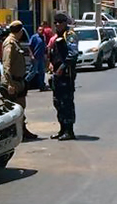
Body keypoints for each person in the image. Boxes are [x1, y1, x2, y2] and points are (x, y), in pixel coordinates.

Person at [3, 21, 38, 141]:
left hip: (19, 81)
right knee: (15, 109)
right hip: (13, 82)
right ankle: (15, 133)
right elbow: (6, 65)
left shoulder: (15, 42)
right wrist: (10, 84)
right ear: (20, 31)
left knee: (21, 107)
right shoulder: (10, 43)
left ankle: (22, 130)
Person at [49, 13, 79, 141]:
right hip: (57, 75)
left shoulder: (70, 35)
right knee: (58, 103)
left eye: (59, 22)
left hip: (66, 75)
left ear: (65, 23)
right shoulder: (57, 37)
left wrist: (61, 68)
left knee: (66, 103)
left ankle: (69, 130)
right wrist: (51, 64)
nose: (57, 25)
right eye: (55, 22)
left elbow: (73, 55)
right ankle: (62, 129)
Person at [28, 25, 47, 91]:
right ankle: (25, 83)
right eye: (40, 30)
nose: (41, 31)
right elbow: (30, 47)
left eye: (42, 30)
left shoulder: (43, 37)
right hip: (35, 58)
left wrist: (45, 56)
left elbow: (44, 47)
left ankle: (41, 86)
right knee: (33, 72)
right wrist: (31, 55)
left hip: (41, 58)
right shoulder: (34, 37)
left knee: (42, 72)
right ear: (37, 30)